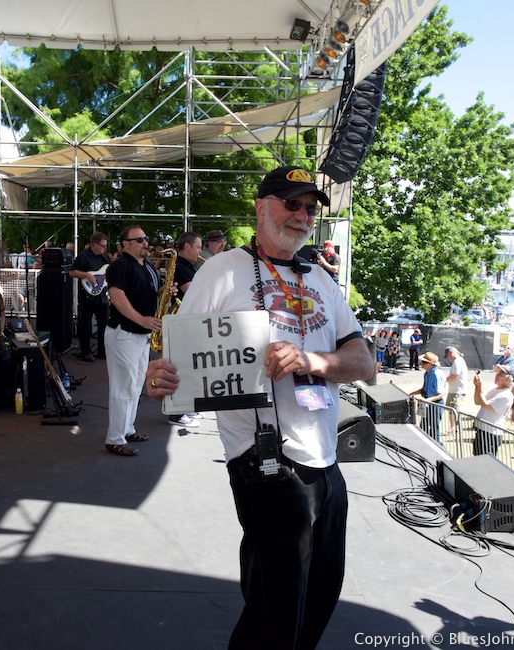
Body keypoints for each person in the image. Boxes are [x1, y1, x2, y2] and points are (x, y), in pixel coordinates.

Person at [144, 165, 373, 648]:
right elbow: (177, 357)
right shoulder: (221, 269)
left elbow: (362, 362)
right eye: (292, 203)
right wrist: (160, 378)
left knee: (318, 598)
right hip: (264, 459)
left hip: (326, 463)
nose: (302, 215)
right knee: (275, 606)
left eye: (310, 208)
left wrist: (312, 359)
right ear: (261, 207)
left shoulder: (324, 282)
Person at [103, 226, 163, 457]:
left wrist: (163, 293)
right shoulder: (120, 265)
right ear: (125, 244)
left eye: (146, 238)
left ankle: (127, 429)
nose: (145, 242)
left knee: (136, 385)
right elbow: (117, 298)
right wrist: (142, 320)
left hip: (140, 335)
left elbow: (145, 293)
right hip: (124, 333)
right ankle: (115, 438)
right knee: (123, 386)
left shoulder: (146, 266)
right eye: (139, 239)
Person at [167, 231, 204, 429]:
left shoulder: (189, 265)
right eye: (198, 247)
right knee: (180, 368)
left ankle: (186, 405)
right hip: (180, 321)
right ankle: (176, 412)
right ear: (187, 246)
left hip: (188, 322)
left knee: (189, 368)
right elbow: (192, 292)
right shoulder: (180, 266)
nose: (200, 251)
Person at [69, 232, 112, 363]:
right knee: (85, 324)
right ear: (94, 244)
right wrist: (87, 275)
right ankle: (85, 352)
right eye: (102, 246)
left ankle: (102, 351)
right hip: (87, 295)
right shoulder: (83, 256)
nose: (104, 248)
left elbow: (108, 273)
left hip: (102, 296)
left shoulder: (105, 258)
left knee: (104, 324)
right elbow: (72, 272)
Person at [472, 366, 514, 457]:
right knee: (477, 458)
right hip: (482, 429)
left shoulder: (506, 395)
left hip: (491, 433)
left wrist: (479, 387)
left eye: (501, 374)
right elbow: (478, 401)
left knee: (486, 462)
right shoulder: (494, 388)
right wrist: (477, 387)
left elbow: (485, 404)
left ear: (508, 380)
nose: (497, 375)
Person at [410, 351, 447, 442]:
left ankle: (438, 449)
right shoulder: (427, 374)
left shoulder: (436, 375)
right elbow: (424, 389)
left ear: (430, 364)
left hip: (435, 404)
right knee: (424, 428)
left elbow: (440, 394)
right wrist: (412, 393)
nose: (421, 363)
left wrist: (426, 400)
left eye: (424, 362)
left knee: (434, 430)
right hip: (428, 402)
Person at [444, 347, 468, 435]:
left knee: (454, 409)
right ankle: (453, 427)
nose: (448, 358)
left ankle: (455, 427)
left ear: (451, 354)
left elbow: (454, 376)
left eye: (448, 356)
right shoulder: (458, 361)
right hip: (454, 390)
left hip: (457, 390)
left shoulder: (457, 361)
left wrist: (443, 380)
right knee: (451, 409)